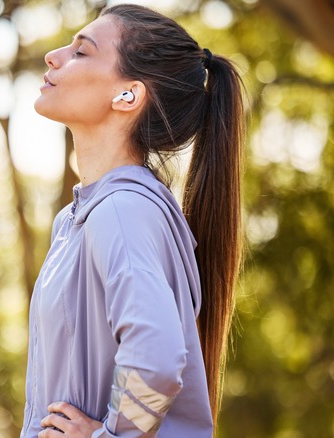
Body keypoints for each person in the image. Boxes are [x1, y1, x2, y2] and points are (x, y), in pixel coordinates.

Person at [22, 4, 245, 437]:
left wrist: (110, 436)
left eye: (81, 52)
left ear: (128, 95)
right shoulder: (76, 220)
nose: (54, 56)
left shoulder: (123, 210)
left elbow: (157, 356)